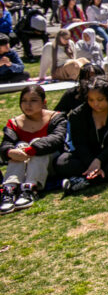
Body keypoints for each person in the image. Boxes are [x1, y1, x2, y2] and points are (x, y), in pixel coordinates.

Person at [55, 75, 108, 194]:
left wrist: (100, 160)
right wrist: (92, 163)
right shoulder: (77, 115)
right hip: (88, 157)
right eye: (91, 100)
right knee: (62, 162)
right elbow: (79, 143)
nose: (95, 104)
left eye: (100, 99)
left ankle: (87, 180)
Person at [0, 85, 67, 213]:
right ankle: (10, 189)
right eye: (24, 101)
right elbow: (5, 144)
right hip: (24, 165)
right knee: (19, 146)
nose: (28, 105)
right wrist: (10, 151)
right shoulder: (14, 123)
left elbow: (56, 139)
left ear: (44, 102)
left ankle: (30, 188)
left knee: (37, 143)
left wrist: (32, 149)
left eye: (33, 100)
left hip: (50, 164)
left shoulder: (56, 118)